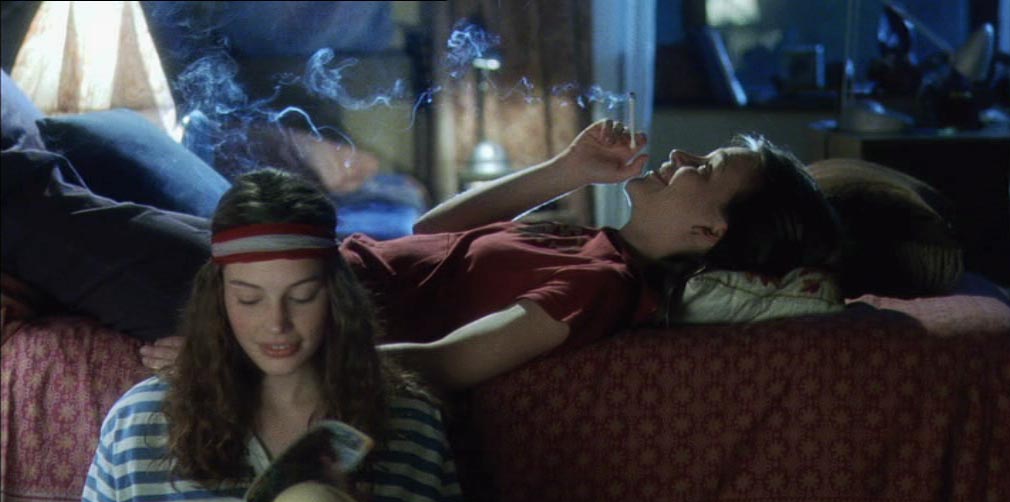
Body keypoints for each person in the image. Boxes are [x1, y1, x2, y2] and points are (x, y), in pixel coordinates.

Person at [140, 119, 840, 391]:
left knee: (73, 203)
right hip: (308, 254)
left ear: (710, 232)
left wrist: (241, 361)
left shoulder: (603, 283)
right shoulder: (590, 241)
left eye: (704, 168)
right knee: (116, 139)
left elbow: (445, 362)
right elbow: (432, 229)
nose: (681, 154)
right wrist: (569, 168)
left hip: (287, 290)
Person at [60, 170, 476, 502]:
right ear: (219, 299)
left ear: (336, 297)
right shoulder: (141, 419)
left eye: (302, 296)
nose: (277, 324)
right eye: (249, 299)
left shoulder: (409, 422)